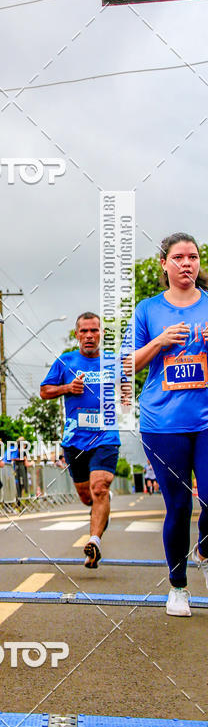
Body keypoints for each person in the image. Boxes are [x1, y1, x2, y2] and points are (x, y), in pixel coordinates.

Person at [134, 232, 208, 617]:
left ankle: (205, 551)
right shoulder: (148, 310)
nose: (186, 264)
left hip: (207, 420)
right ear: (164, 264)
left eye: (192, 257)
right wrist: (161, 341)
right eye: (178, 257)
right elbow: (128, 365)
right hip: (164, 423)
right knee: (178, 506)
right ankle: (178, 586)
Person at [40, 312, 120, 569]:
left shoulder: (113, 362)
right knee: (88, 496)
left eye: (94, 331)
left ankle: (94, 540)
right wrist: (67, 388)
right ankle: (100, 508)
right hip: (75, 440)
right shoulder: (66, 361)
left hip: (106, 436)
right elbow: (44, 391)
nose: (89, 336)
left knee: (100, 487)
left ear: (101, 334)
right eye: (84, 331)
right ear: (76, 335)